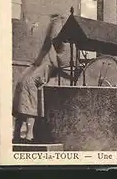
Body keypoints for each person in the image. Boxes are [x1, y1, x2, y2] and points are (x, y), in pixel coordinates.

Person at [12, 14, 74, 144]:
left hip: (25, 77)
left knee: (21, 109)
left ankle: (17, 135)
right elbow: (50, 40)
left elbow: (62, 72)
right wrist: (56, 22)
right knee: (31, 109)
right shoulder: (51, 53)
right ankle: (29, 137)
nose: (64, 47)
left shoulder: (50, 55)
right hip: (32, 81)